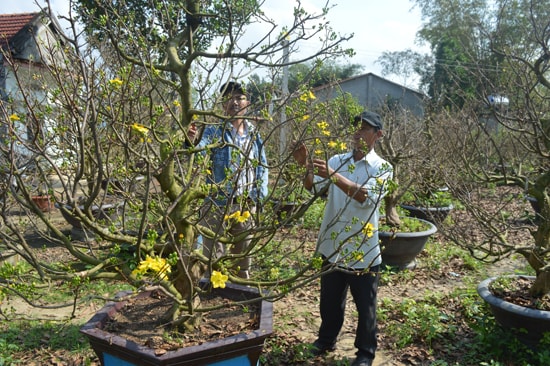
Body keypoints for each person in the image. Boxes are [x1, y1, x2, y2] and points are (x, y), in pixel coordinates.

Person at [292, 111, 392, 366]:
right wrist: (305, 167)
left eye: (365, 128)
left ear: (377, 135)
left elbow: (365, 198)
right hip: (333, 246)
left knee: (366, 306)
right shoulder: (337, 159)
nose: (358, 132)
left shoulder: (383, 168)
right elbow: (313, 188)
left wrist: (333, 175)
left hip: (363, 250)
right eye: (356, 127)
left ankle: (365, 353)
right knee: (330, 301)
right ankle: (326, 340)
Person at [190, 81, 268, 279]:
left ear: (247, 103)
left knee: (243, 260)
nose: (234, 102)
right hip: (217, 205)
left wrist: (257, 198)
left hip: (245, 204)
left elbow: (262, 167)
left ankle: (241, 297)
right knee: (212, 260)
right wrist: (191, 141)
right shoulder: (214, 132)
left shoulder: (254, 135)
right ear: (222, 104)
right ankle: (211, 301)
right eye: (229, 98)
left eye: (239, 97)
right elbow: (200, 150)